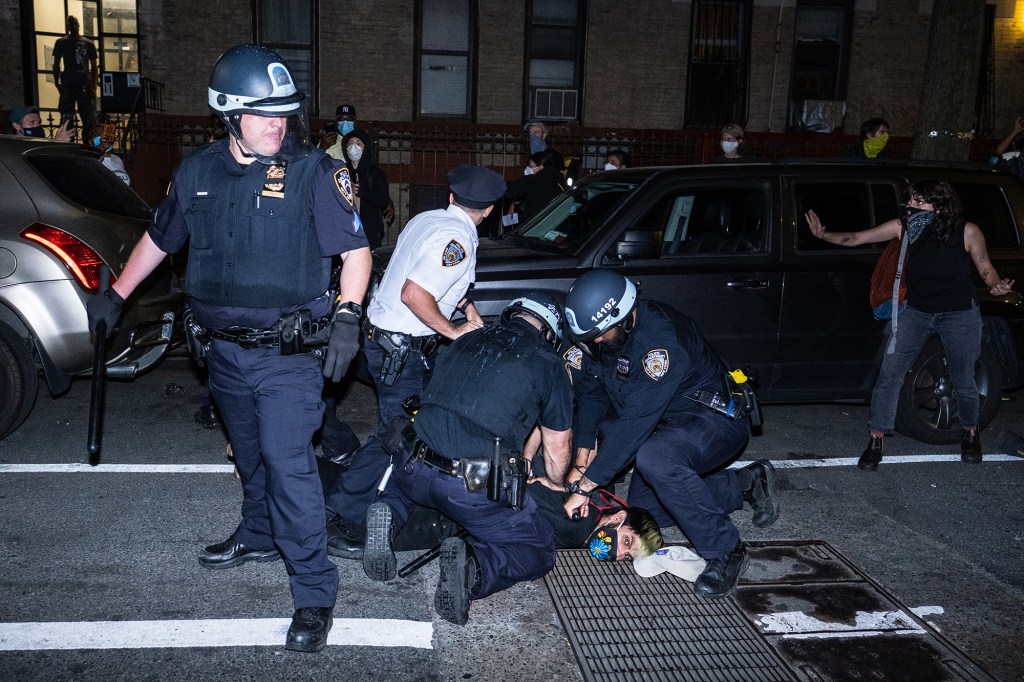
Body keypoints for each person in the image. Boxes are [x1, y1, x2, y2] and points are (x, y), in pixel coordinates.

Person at [85, 44, 372, 653]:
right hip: (219, 352)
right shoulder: (196, 173)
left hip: (289, 354)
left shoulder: (314, 172)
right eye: (264, 113)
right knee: (248, 454)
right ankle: (259, 532)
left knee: (287, 460)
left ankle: (315, 592)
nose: (279, 124)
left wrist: (348, 315)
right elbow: (161, 239)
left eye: (285, 113)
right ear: (228, 113)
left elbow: (356, 251)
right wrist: (115, 294)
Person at [323, 163, 507, 560]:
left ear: (453, 197)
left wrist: (468, 307)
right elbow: (414, 293)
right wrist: (453, 331)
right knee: (399, 434)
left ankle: (349, 502)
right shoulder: (457, 241)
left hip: (383, 340)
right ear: (490, 210)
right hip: (401, 350)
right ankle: (349, 512)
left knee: (400, 427)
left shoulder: (430, 220)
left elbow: (436, 279)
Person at [559, 270, 780, 598]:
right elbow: (592, 396)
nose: (595, 344)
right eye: (589, 339)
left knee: (656, 459)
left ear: (626, 317)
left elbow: (635, 424)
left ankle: (726, 550)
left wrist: (586, 485)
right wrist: (580, 461)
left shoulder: (662, 343)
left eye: (601, 336)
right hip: (666, 425)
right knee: (647, 512)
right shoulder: (597, 335)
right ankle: (744, 484)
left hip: (714, 420)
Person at [360, 293, 572, 625]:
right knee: (539, 547)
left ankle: (388, 511)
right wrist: (556, 483)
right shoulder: (546, 361)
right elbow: (559, 446)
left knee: (404, 488)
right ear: (549, 334)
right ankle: (473, 567)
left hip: (413, 463)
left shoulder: (467, 336)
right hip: (469, 488)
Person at [805, 179, 1013, 468]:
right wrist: (823, 234)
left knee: (963, 377)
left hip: (959, 313)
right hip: (916, 311)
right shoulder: (903, 227)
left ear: (940, 205)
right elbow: (856, 237)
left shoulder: (967, 231)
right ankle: (876, 440)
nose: (911, 206)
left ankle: (970, 433)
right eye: (910, 201)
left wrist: (995, 285)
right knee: (890, 374)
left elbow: (985, 267)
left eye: (919, 202)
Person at [322, 103, 396, 229]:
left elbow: (372, 177)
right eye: (341, 119)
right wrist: (322, 147)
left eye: (349, 119)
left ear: (355, 122)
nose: (345, 122)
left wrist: (384, 198)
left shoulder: (364, 142)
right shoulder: (328, 143)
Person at [339, 128, 390, 249]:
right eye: (350, 143)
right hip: (346, 232)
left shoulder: (375, 173)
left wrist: (363, 192)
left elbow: (383, 200)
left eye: (359, 143)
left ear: (365, 147)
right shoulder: (340, 172)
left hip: (369, 233)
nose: (354, 147)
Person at [52, 15, 98, 130]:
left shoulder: (87, 43)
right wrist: (57, 83)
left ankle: (87, 143)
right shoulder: (62, 42)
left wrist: (93, 86)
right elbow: (56, 65)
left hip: (81, 84)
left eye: (74, 23)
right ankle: (70, 143)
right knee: (69, 117)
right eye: (70, 24)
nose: (73, 26)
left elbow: (94, 67)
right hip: (72, 83)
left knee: (87, 118)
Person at [503, 148, 565, 227]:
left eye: (531, 166)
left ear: (541, 167)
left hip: (537, 224)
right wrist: (513, 204)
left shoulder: (535, 179)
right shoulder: (558, 178)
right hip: (555, 222)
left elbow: (512, 189)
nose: (528, 169)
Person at [8, 105, 73, 142]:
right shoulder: (10, 146)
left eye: (39, 122)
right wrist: (57, 142)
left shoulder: (40, 142)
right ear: (16, 126)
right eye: (32, 122)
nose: (37, 125)